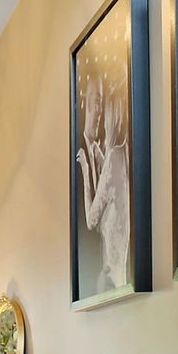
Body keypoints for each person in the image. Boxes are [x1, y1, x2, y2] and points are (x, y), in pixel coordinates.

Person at [77, 62, 131, 291]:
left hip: (112, 279)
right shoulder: (105, 155)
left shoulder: (111, 156)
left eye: (102, 102)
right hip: (103, 278)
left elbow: (94, 219)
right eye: (95, 101)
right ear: (83, 102)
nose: (98, 109)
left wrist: (87, 172)